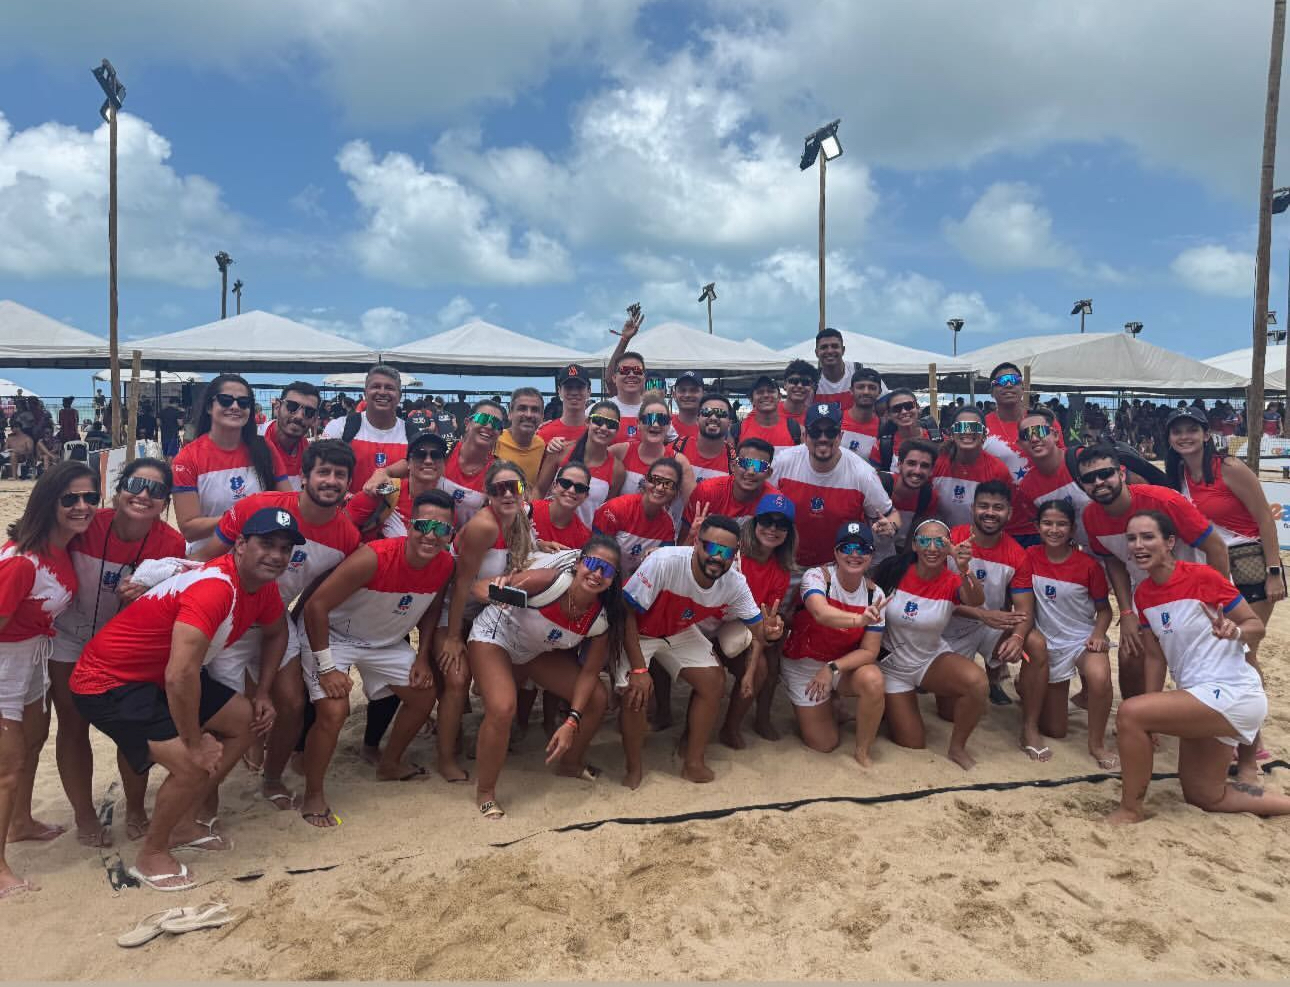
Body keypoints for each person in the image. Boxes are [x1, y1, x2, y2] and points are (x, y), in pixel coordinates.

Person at [69, 508, 295, 891]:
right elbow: (180, 675)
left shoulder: (263, 585)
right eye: (266, 544)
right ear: (240, 545)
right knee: (191, 764)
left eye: (285, 549)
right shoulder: (216, 586)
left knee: (245, 721)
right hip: (107, 680)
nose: (276, 555)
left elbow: (276, 632)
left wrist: (261, 693)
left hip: (155, 676)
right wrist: (193, 741)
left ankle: (185, 822)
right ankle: (152, 853)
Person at [195, 440, 361, 808]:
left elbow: (317, 597)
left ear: (350, 483)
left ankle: (272, 777)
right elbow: (204, 560)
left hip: (275, 618)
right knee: (220, 712)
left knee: (292, 702)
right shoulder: (257, 506)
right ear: (303, 477)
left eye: (339, 475)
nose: (330, 481)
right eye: (322, 472)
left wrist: (297, 637)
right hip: (226, 618)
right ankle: (205, 803)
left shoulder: (347, 537)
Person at [1108, 511, 1290, 825]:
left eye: (1147, 537)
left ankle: (1130, 810)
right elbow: (1155, 657)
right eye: (1132, 538)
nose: (1138, 544)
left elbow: (1255, 626)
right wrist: (1150, 714)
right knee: (1205, 795)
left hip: (1232, 691)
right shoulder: (1144, 594)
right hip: (1199, 695)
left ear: (1169, 543)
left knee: (1129, 713)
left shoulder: (1202, 577)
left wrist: (1235, 631)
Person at [298, 491, 457, 827]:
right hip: (334, 635)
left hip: (383, 642)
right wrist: (326, 667)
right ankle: (313, 793)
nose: (431, 535)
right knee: (334, 709)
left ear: (451, 534)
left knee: (424, 694)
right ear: (409, 525)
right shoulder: (374, 557)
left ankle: (390, 763)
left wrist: (423, 657)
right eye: (424, 525)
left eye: (441, 529)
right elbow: (315, 607)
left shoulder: (444, 565)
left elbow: (430, 613)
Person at [49, 459, 185, 847]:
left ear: (166, 501)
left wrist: (148, 593)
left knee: (132, 727)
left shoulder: (170, 544)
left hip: (123, 648)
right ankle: (84, 814)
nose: (144, 495)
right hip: (68, 636)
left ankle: (137, 806)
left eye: (156, 490)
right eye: (136, 484)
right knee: (72, 727)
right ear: (119, 487)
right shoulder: (86, 524)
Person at [1164, 404, 1284, 782]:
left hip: (1249, 564)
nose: (1184, 436)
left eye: (1191, 430)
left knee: (1245, 651)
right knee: (1225, 649)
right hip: (1212, 569)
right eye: (1177, 431)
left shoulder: (1228, 468)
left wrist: (1275, 571)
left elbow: (1265, 516)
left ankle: (1254, 741)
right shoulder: (1179, 474)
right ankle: (1235, 732)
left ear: (1205, 433)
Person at [466, 538, 626, 818]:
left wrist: (571, 719)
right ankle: (486, 791)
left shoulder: (599, 620)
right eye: (593, 564)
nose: (598, 574)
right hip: (496, 636)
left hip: (534, 651)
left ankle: (571, 763)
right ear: (578, 564)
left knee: (596, 698)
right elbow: (477, 587)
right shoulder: (551, 581)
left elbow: (590, 673)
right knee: (502, 708)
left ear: (613, 581)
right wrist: (497, 593)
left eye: (608, 571)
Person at [0, 462, 98, 898]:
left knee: (34, 742)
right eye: (70, 499)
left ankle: (20, 823)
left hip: (33, 660)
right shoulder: (22, 561)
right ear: (49, 502)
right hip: (5, 665)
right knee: (8, 766)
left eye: (90, 497)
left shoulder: (61, 548)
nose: (82, 506)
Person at [620, 517, 767, 786]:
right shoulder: (664, 561)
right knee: (635, 691)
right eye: (712, 548)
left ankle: (693, 760)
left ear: (735, 555)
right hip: (637, 629)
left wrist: (772, 631)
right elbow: (624, 613)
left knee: (714, 681)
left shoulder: (734, 581)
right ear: (697, 543)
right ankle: (633, 767)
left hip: (677, 630)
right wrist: (640, 668)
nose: (718, 558)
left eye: (727, 553)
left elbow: (759, 630)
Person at [1078, 446, 1230, 699]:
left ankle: (1247, 736)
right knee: (1130, 653)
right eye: (1089, 478)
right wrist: (1126, 612)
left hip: (1196, 589)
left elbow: (1216, 548)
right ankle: (1137, 718)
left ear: (1122, 473)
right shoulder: (1091, 516)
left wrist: (1218, 601)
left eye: (1105, 473)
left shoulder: (1165, 501)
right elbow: (1113, 562)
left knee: (1214, 660)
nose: (1098, 482)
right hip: (1146, 592)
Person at [435, 461, 533, 782]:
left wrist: (544, 545)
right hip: (455, 608)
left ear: (524, 490)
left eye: (514, 487)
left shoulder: (519, 517)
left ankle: (478, 736)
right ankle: (446, 757)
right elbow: (461, 583)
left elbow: (522, 551)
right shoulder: (484, 525)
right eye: (498, 489)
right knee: (457, 681)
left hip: (485, 607)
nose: (507, 494)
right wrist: (452, 637)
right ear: (487, 494)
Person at [942, 481, 1052, 751]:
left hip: (993, 624)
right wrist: (981, 614)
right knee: (948, 712)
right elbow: (933, 600)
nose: (990, 513)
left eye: (998, 508)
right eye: (984, 506)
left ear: (1009, 513)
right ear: (972, 508)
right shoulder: (950, 540)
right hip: (952, 625)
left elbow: (1024, 608)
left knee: (1034, 644)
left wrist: (1016, 637)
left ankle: (1029, 726)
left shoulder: (1016, 553)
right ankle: (981, 682)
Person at [873, 519, 987, 769]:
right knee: (912, 742)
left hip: (929, 660)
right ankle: (886, 708)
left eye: (940, 542)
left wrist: (964, 567)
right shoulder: (893, 571)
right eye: (925, 541)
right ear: (914, 545)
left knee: (976, 682)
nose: (932, 548)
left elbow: (976, 599)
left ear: (949, 547)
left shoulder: (952, 580)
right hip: (891, 668)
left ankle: (957, 748)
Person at [780, 521, 888, 765]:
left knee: (873, 679)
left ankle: (862, 750)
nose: (854, 554)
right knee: (824, 743)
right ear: (836, 552)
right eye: (847, 547)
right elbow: (821, 613)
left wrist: (831, 668)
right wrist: (859, 619)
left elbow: (870, 651)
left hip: (839, 664)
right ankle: (829, 705)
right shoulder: (818, 576)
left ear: (871, 555)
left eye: (862, 549)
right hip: (803, 662)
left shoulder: (875, 594)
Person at [1027, 499, 1117, 770]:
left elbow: (1104, 610)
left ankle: (1097, 745)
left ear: (1072, 528)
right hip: (1047, 641)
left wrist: (1099, 634)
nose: (1054, 530)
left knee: (1100, 677)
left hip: (1080, 638)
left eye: (1061, 524)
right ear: (1037, 526)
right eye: (1047, 523)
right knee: (1055, 729)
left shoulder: (1089, 565)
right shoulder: (1029, 556)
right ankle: (1027, 686)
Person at [171, 373, 291, 554]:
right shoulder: (188, 458)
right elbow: (189, 529)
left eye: (243, 402)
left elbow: (287, 501)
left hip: (257, 560)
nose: (235, 406)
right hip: (209, 560)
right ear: (210, 407)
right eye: (226, 400)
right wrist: (241, 515)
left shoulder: (264, 447)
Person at [769, 403, 898, 568]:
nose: (823, 438)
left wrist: (890, 528)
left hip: (838, 570)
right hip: (786, 564)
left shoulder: (863, 473)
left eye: (830, 432)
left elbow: (888, 517)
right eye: (816, 432)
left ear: (840, 436)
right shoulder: (783, 462)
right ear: (805, 435)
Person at [728, 493, 796, 742]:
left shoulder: (781, 569)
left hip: (747, 627)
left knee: (768, 658)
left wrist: (770, 630)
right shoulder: (734, 554)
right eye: (767, 520)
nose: (773, 528)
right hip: (716, 619)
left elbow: (763, 619)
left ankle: (737, 725)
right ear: (755, 522)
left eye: (782, 525)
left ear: (789, 532)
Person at [321, 365, 408, 495]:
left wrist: (387, 471)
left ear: (399, 396)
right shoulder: (339, 426)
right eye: (376, 387)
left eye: (389, 388)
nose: (383, 392)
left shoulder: (412, 432)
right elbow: (321, 471)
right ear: (365, 393)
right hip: (347, 512)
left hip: (399, 514)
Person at [539, 401, 625, 527]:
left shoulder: (617, 470)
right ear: (587, 422)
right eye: (598, 421)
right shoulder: (561, 451)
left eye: (611, 424)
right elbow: (539, 490)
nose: (604, 428)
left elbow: (606, 513)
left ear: (617, 430)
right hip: (548, 534)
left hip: (584, 542)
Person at [592, 458, 682, 579]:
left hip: (634, 585)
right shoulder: (616, 509)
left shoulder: (668, 526)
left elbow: (663, 569)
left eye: (669, 484)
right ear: (645, 481)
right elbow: (594, 554)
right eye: (655, 480)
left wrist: (657, 557)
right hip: (600, 576)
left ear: (676, 493)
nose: (660, 488)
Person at [1015, 408, 1092, 547]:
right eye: (1026, 435)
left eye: (1040, 431)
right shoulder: (1027, 487)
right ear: (1020, 445)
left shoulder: (1082, 458)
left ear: (1055, 435)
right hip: (1090, 555)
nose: (1034, 438)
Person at [931, 405, 1016, 530]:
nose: (967, 431)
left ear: (984, 434)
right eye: (961, 427)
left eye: (974, 427)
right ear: (952, 433)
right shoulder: (936, 463)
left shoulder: (998, 470)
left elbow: (1002, 514)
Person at [678, 437, 779, 542]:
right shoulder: (707, 492)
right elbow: (683, 544)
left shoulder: (775, 503)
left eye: (760, 466)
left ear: (769, 473)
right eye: (745, 463)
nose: (751, 472)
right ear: (733, 466)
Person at [611, 394, 695, 510]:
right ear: (638, 423)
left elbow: (693, 506)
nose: (655, 425)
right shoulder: (621, 451)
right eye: (649, 419)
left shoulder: (679, 462)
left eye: (661, 420)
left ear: (669, 425)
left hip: (661, 527)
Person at [438, 399, 503, 528]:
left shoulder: (498, 471)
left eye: (496, 424)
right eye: (483, 418)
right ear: (467, 423)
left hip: (466, 543)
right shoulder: (443, 451)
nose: (489, 426)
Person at [874, 438, 940, 562]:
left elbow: (917, 535)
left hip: (894, 559)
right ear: (899, 464)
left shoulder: (929, 497)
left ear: (931, 471)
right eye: (911, 463)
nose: (917, 471)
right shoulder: (878, 483)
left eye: (924, 466)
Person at [263, 382, 321, 490]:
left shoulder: (310, 456)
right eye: (292, 406)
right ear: (277, 407)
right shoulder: (255, 442)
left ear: (314, 419)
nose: (299, 416)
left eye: (309, 412)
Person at [602, 309, 648, 440]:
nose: (632, 374)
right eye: (625, 370)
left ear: (644, 377)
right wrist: (624, 340)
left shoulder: (654, 411)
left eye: (638, 370)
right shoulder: (601, 410)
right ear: (615, 377)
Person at [731, 375, 801, 458]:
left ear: (779, 397)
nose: (766, 395)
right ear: (751, 399)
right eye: (760, 392)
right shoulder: (736, 431)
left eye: (771, 391)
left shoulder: (796, 430)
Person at [671, 393, 734, 483]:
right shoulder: (675, 450)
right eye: (707, 412)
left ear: (729, 423)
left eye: (721, 413)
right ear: (697, 420)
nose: (713, 417)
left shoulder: (733, 463)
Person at [531, 463, 593, 552]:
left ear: (586, 496)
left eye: (580, 487)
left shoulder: (584, 538)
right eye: (566, 483)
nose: (572, 490)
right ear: (554, 486)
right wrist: (537, 545)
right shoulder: (529, 511)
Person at [494, 387, 547, 487]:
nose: (528, 414)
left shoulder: (541, 446)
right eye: (522, 408)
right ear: (510, 413)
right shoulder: (495, 442)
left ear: (542, 416)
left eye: (535, 410)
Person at [872, 388, 931, 472]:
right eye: (896, 408)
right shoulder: (882, 446)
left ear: (917, 408)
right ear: (888, 415)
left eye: (908, 406)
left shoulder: (939, 440)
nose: (903, 412)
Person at [538, 364, 593, 449]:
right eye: (569, 387)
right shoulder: (544, 433)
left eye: (579, 387)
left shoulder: (598, 431)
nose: (574, 392)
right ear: (559, 391)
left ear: (589, 392)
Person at [839, 367, 884, 461]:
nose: (866, 392)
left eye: (872, 388)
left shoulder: (884, 428)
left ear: (879, 392)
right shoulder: (836, 420)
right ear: (851, 390)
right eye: (860, 387)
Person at [812, 327, 859, 411]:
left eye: (834, 346)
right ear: (816, 353)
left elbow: (883, 405)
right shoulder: (812, 381)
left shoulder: (858, 371)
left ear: (843, 350)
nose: (829, 351)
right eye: (824, 347)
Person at [669, 371, 705, 445]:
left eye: (693, 390)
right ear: (674, 395)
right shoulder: (665, 425)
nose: (687, 395)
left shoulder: (710, 428)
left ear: (703, 394)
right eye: (682, 390)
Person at [779, 360, 818, 427]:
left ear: (812, 386)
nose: (800, 386)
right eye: (794, 381)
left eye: (805, 382)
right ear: (785, 384)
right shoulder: (768, 412)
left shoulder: (817, 417)